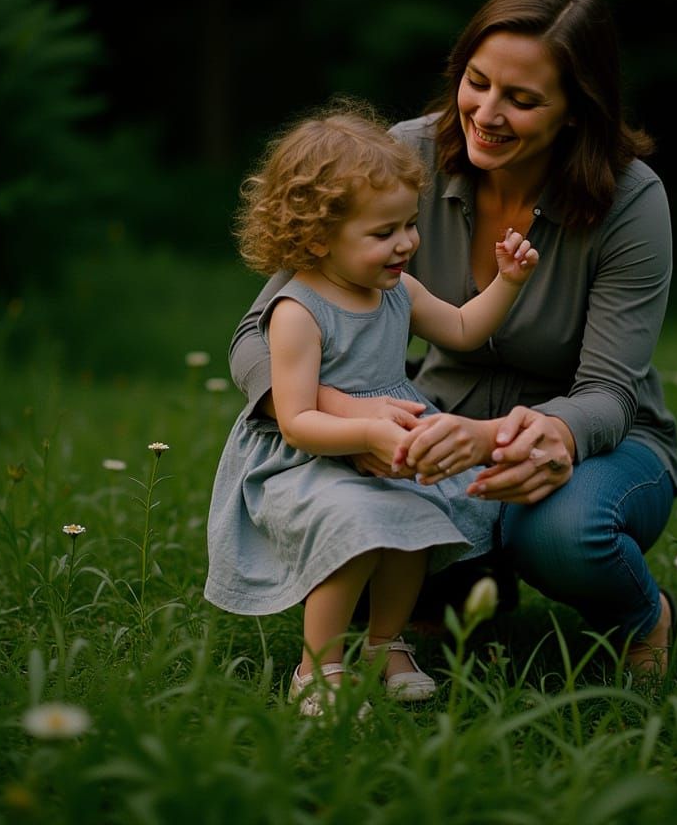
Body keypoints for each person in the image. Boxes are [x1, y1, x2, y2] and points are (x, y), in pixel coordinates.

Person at [229, 0, 677, 677]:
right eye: (477, 82)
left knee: (563, 535)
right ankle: (469, 584)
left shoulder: (630, 202)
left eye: (523, 99)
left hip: (586, 443)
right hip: (428, 428)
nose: (487, 113)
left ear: (575, 112)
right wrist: (345, 411)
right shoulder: (399, 156)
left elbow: (608, 392)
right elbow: (261, 330)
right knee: (344, 547)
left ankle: (643, 616)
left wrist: (527, 436)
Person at [204, 103, 540, 716]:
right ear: (316, 237)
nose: (407, 243)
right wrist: (363, 431)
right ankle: (318, 666)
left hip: (385, 447)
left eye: (409, 225)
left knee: (415, 525)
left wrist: (507, 284)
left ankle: (385, 644)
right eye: (383, 233)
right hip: (306, 462)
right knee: (355, 527)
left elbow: (463, 328)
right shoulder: (298, 312)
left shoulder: (397, 291)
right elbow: (296, 419)